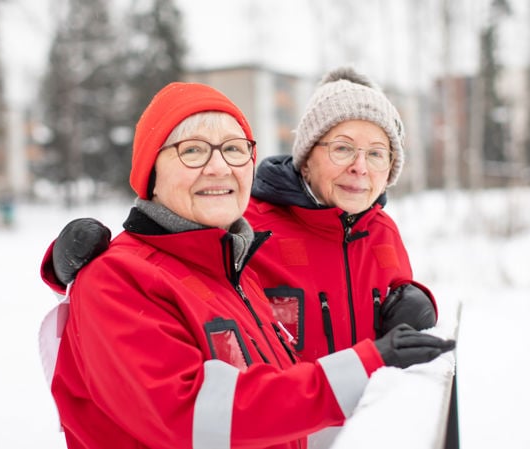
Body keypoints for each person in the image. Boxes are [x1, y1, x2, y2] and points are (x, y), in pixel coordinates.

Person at [40, 80, 454, 449]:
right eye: (193, 150)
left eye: (235, 149)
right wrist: (367, 365)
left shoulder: (234, 272)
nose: (219, 166)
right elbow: (194, 415)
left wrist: (414, 299)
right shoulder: (121, 277)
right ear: (150, 171)